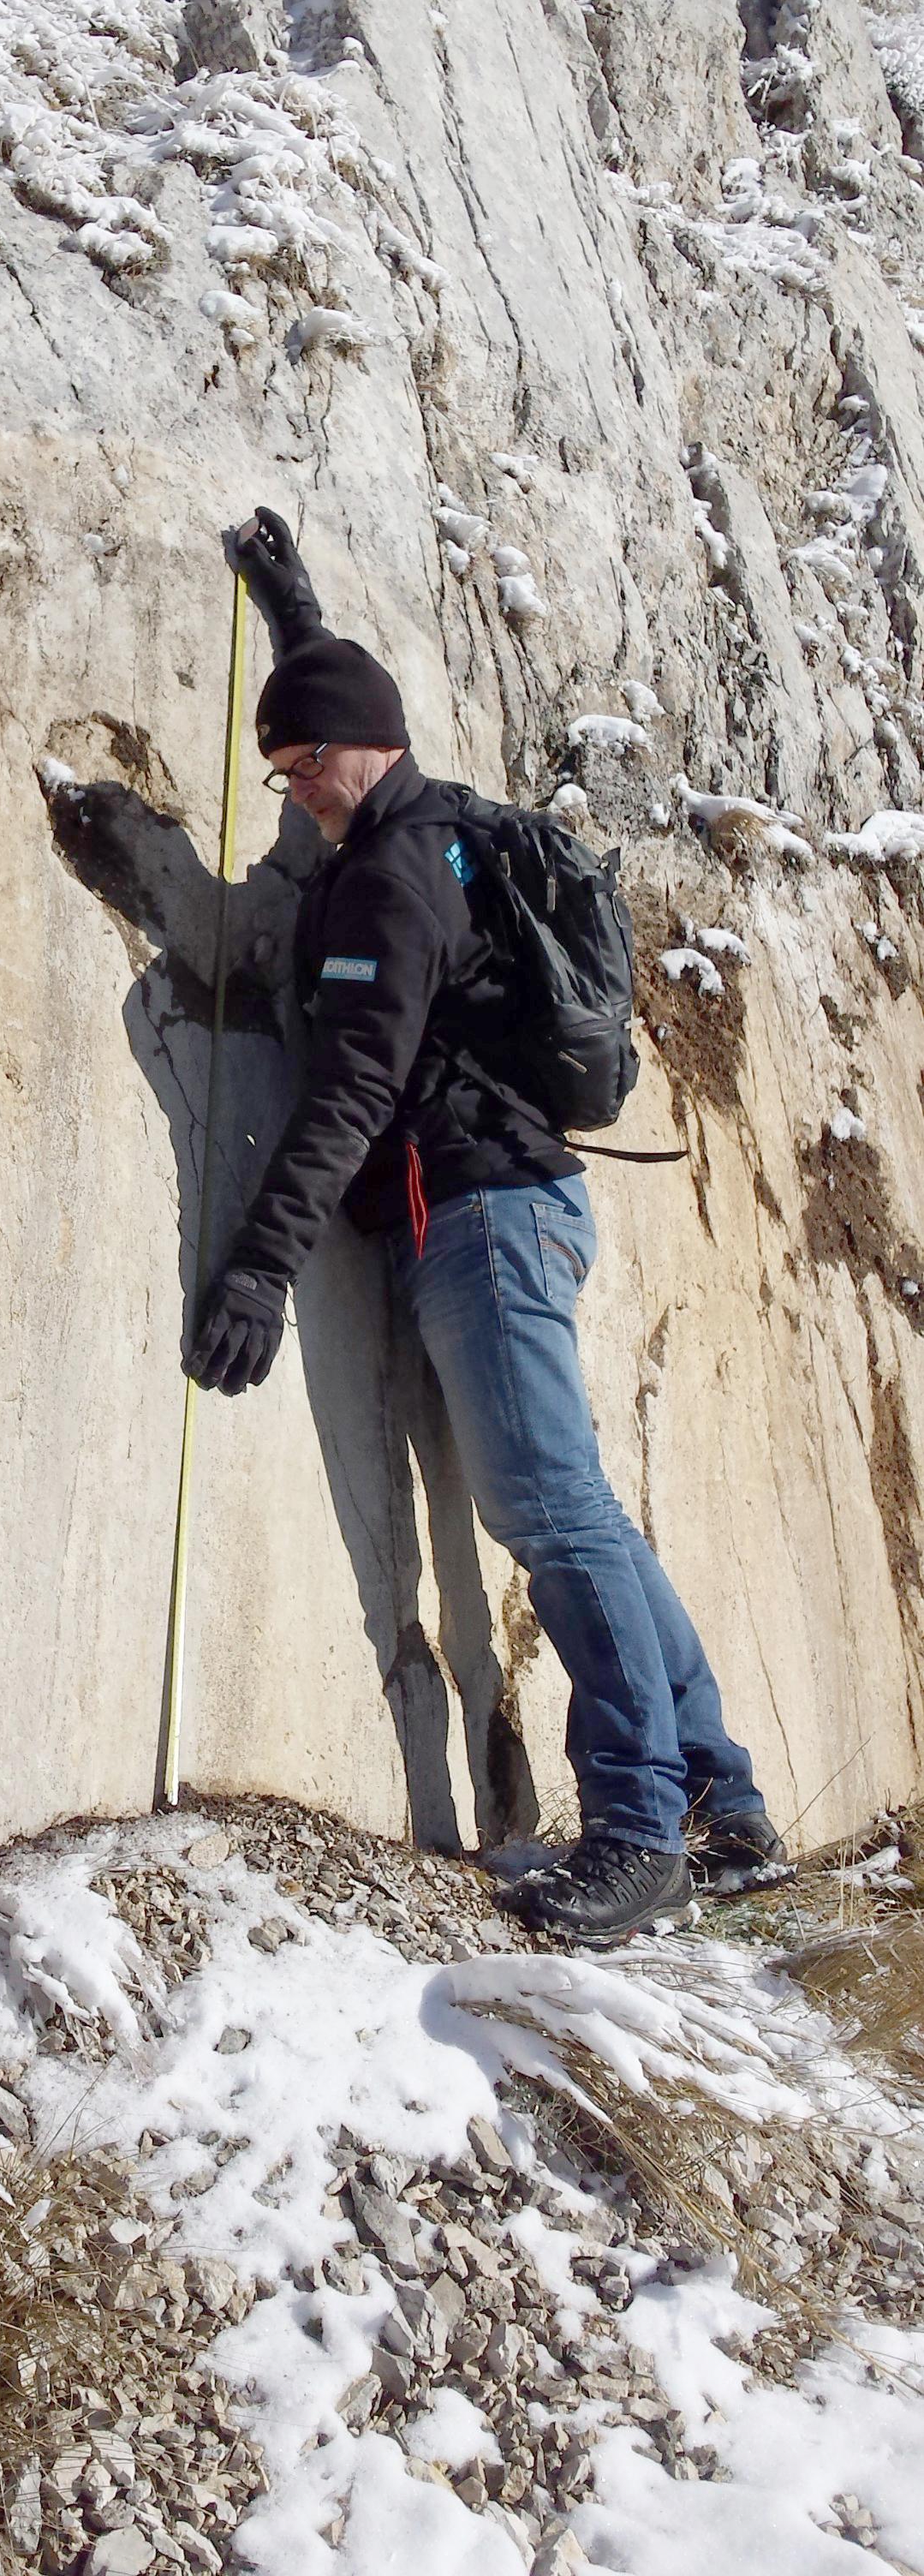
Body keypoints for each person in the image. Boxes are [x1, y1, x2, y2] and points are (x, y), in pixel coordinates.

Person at [184, 509, 782, 1945]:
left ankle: (638, 1829)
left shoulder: (390, 877)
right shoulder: (430, 829)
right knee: (579, 1507)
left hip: (483, 1218)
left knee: (547, 1513)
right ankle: (721, 1797)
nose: (292, 792)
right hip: (523, 1203)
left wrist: (261, 1264)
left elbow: (351, 1086)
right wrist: (288, 603)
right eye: (275, 770)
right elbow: (338, 697)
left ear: (360, 750)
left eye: (302, 765)